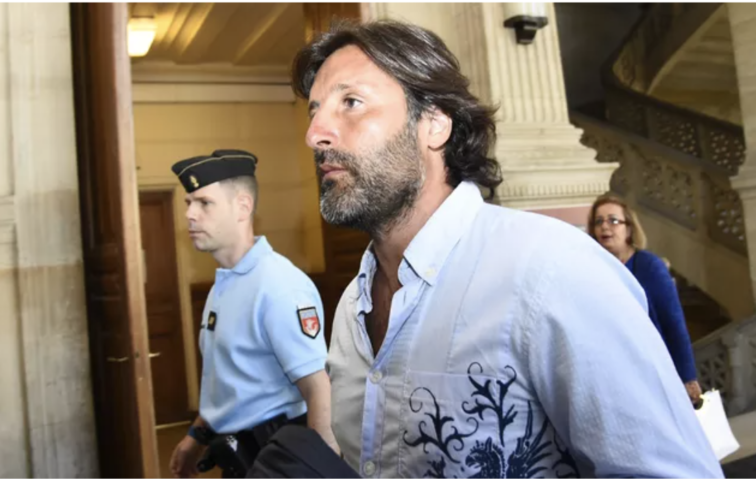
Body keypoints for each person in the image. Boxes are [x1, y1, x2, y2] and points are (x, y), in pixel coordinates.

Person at [290, 20, 722, 478]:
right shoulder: (350, 310)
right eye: (315, 111)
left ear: (434, 123)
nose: (315, 134)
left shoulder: (552, 272)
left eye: (350, 102)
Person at [168, 149, 339, 478]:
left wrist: (315, 470)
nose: (190, 214)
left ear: (243, 207)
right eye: (188, 203)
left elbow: (319, 390)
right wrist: (196, 436)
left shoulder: (278, 286)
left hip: (278, 457)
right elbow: (232, 382)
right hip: (238, 458)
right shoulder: (225, 284)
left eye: (204, 203)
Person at [589, 193, 702, 404]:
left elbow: (673, 323)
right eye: (599, 221)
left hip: (654, 370)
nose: (605, 227)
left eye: (614, 220)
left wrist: (687, 377)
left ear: (629, 228)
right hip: (616, 375)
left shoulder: (649, 266)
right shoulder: (594, 269)